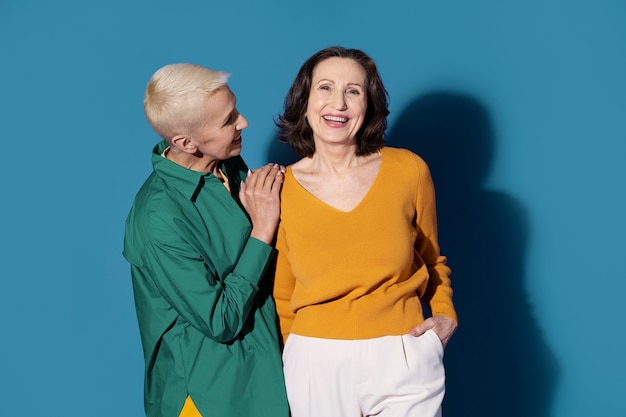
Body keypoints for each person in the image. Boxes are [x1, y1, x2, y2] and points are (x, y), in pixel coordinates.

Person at [273, 46, 458, 417]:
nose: (338, 104)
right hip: (314, 360)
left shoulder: (408, 170)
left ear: (368, 104)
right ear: (304, 102)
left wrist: (444, 313)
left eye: (353, 91)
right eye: (325, 88)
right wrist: (291, 357)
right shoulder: (280, 187)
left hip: (404, 352)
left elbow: (431, 258)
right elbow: (282, 291)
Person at [123, 63, 289, 417]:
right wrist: (262, 229)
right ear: (185, 142)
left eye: (236, 110)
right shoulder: (157, 220)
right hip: (208, 398)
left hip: (262, 381)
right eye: (228, 120)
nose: (243, 122)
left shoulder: (227, 164)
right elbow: (221, 320)